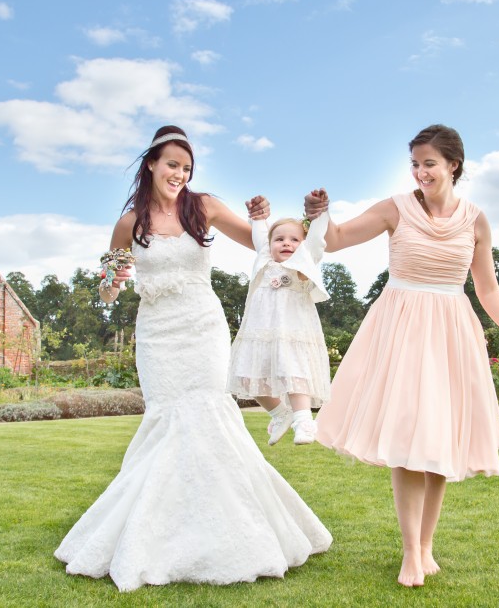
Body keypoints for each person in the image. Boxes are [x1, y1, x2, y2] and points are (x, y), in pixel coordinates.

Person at [55, 125, 333, 592]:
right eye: (172, 165)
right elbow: (106, 289)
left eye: (186, 168)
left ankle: (235, 532)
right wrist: (112, 280)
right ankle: (160, 534)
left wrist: (300, 221)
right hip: (158, 335)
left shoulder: (202, 206)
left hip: (203, 327)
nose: (179, 174)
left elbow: (266, 245)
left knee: (210, 413)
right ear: (151, 165)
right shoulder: (129, 224)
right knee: (167, 420)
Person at [305, 124, 499, 588]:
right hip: (401, 328)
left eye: (428, 163)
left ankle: (427, 547)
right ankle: (410, 552)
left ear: (453, 164)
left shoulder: (476, 220)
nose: (420, 172)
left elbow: (487, 289)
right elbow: (337, 239)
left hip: (452, 331)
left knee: (437, 444)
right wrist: (318, 215)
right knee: (409, 440)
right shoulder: (396, 208)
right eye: (414, 164)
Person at [226, 215, 333, 446]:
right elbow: (260, 238)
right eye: (279, 239)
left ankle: (304, 421)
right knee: (245, 376)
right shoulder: (264, 261)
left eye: (294, 239)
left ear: (303, 246)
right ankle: (279, 413)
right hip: (260, 334)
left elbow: (315, 239)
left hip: (292, 333)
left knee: (294, 373)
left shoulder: (303, 264)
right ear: (269, 245)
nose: (286, 243)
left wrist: (320, 215)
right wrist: (258, 218)